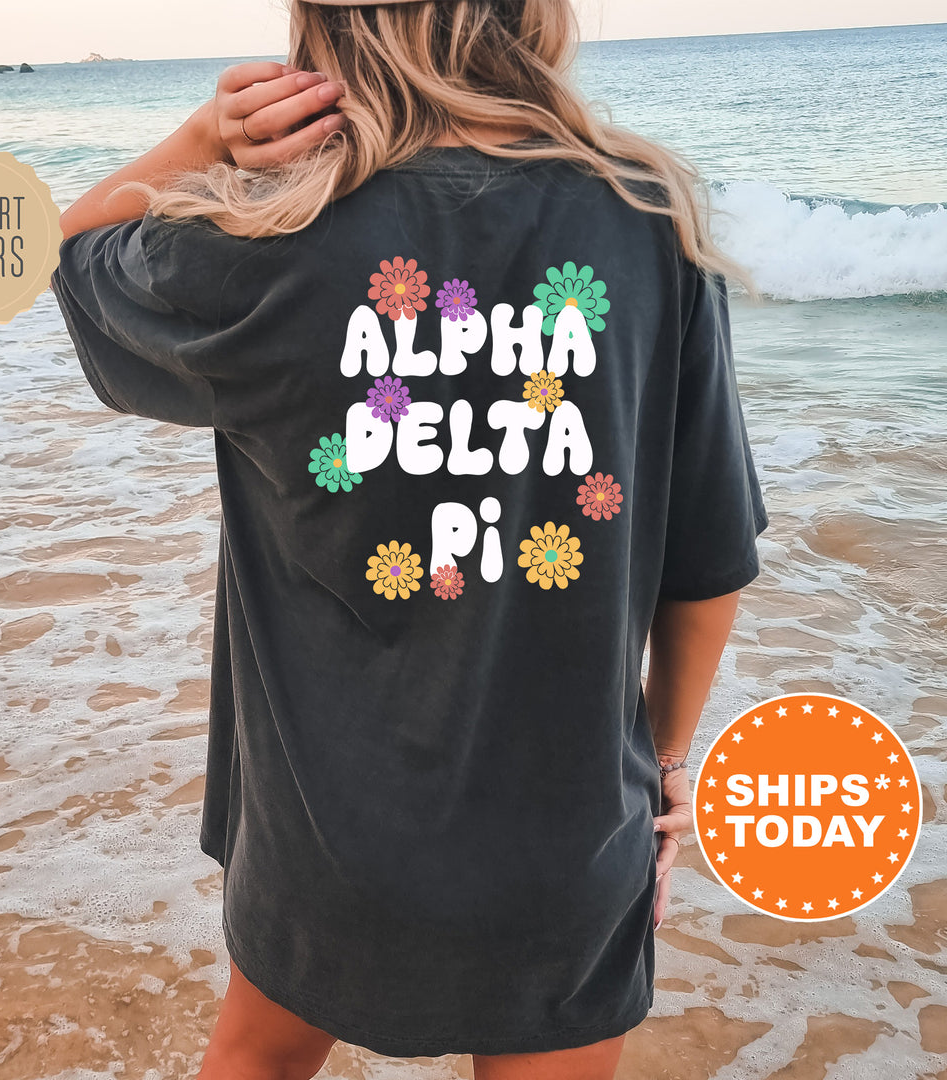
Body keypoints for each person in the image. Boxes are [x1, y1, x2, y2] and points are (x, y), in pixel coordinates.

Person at [49, 0, 770, 1076]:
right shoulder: (646, 219)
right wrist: (667, 764)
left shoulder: (262, 236)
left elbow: (70, 253)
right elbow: (708, 560)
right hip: (565, 833)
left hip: (323, 837)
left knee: (255, 1057)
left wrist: (205, 142)